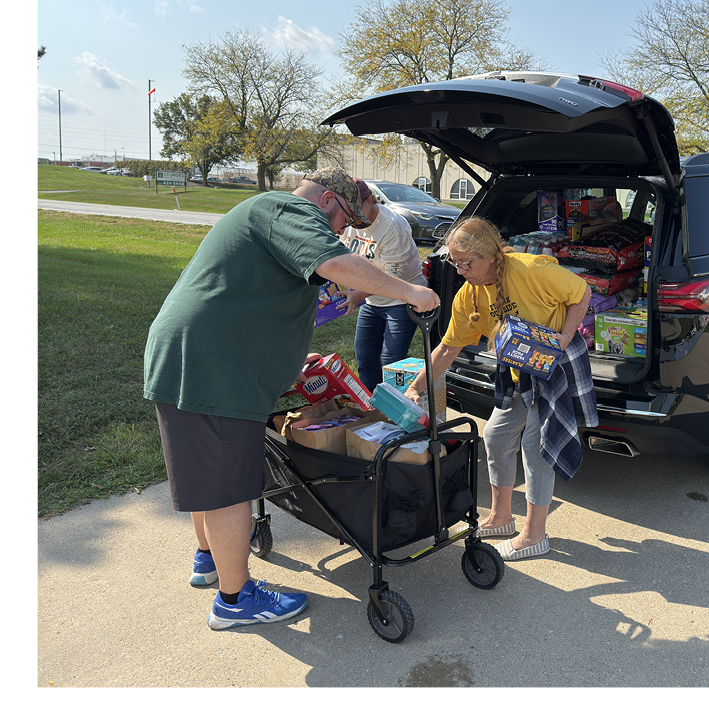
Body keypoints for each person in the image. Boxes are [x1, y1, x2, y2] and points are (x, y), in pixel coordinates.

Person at [143, 166, 439, 630]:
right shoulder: (287, 207)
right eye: (344, 222)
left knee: (207, 473)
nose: (343, 233)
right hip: (216, 367)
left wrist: (291, 361)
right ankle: (234, 600)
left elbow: (272, 297)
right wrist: (410, 291)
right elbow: (334, 264)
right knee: (229, 487)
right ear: (327, 201)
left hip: (197, 357)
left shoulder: (270, 217)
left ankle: (209, 560)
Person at [403, 216, 597, 560]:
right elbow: (448, 348)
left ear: (490, 255)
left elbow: (582, 293)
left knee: (536, 444)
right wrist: (416, 388)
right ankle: (501, 517)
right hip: (520, 366)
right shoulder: (470, 296)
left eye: (466, 262)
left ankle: (535, 535)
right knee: (495, 435)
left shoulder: (533, 269)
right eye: (455, 262)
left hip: (555, 361)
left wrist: (565, 337)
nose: (460, 269)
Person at [340, 180, 425, 391]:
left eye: (358, 212)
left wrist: (358, 294)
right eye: (350, 213)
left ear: (370, 200)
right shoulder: (349, 223)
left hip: (401, 297)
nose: (353, 220)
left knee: (392, 362)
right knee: (365, 356)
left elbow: (390, 277)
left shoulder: (392, 225)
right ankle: (372, 409)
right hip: (372, 299)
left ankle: (393, 412)